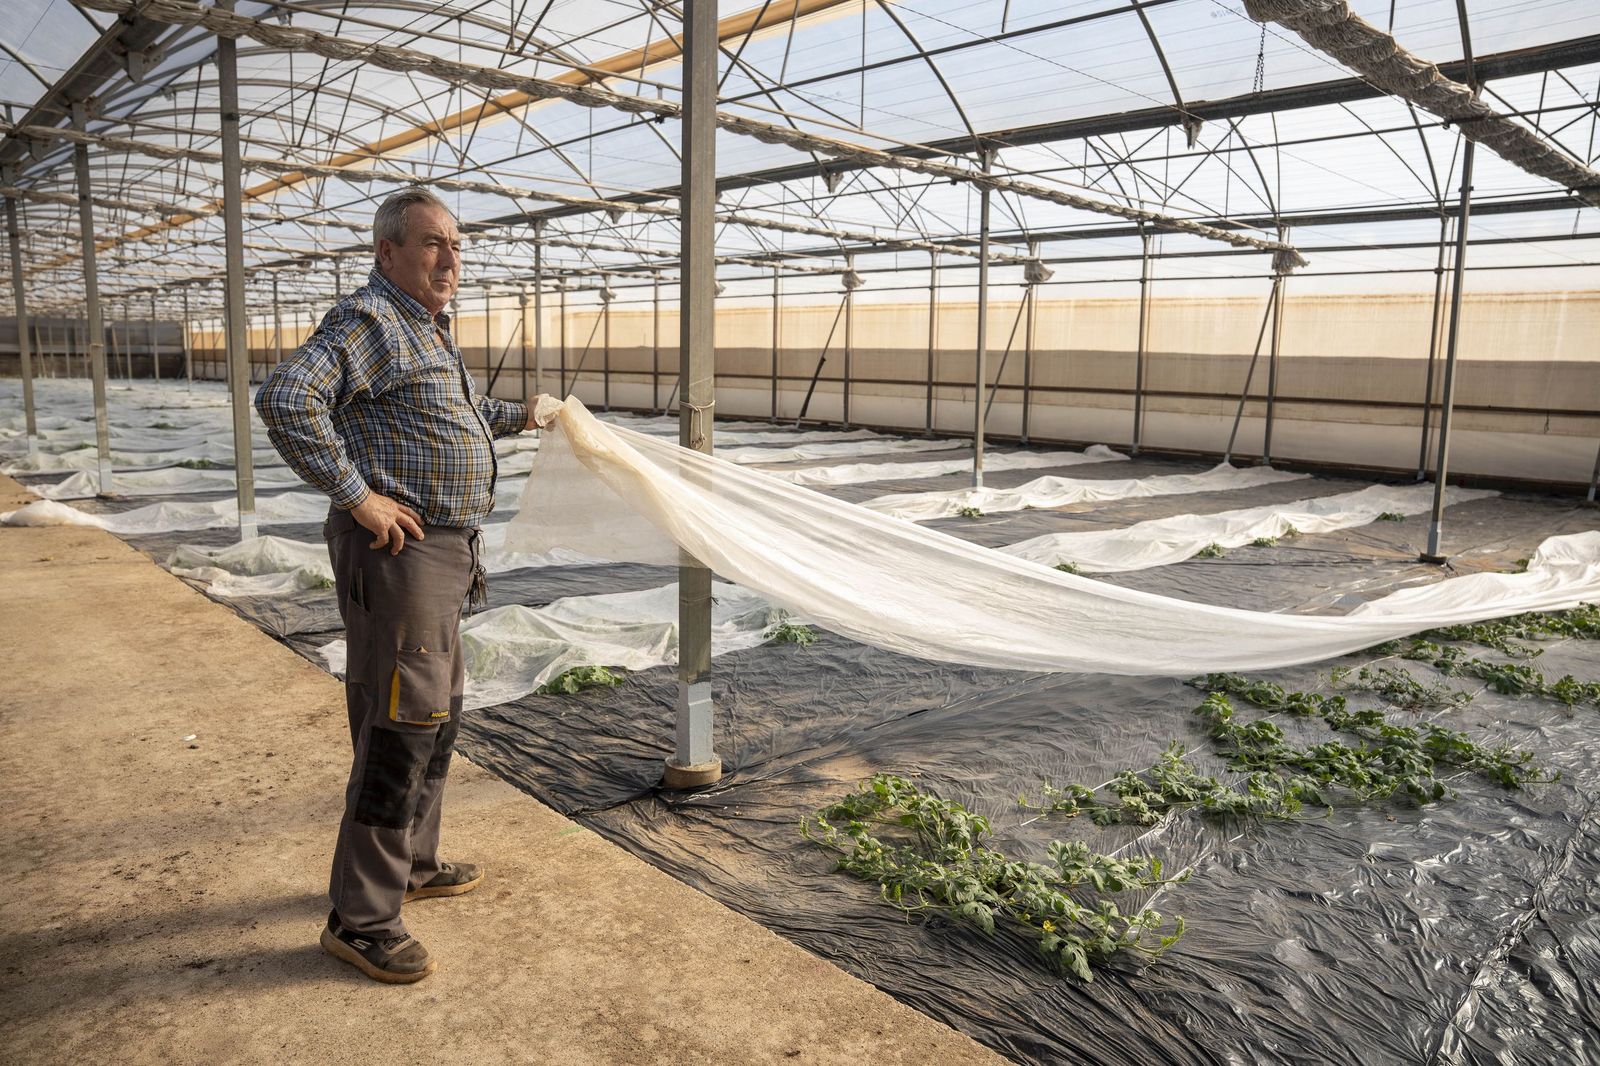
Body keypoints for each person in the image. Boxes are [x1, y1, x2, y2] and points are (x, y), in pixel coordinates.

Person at [256, 187, 551, 984]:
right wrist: (358, 495)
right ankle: (361, 920)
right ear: (388, 252)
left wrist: (523, 416)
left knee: (438, 714)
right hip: (401, 554)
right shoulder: (372, 320)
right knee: (400, 727)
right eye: (431, 244)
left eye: (455, 245)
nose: (450, 260)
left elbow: (448, 416)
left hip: (447, 555)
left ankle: (413, 865)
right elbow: (287, 397)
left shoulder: (427, 329)